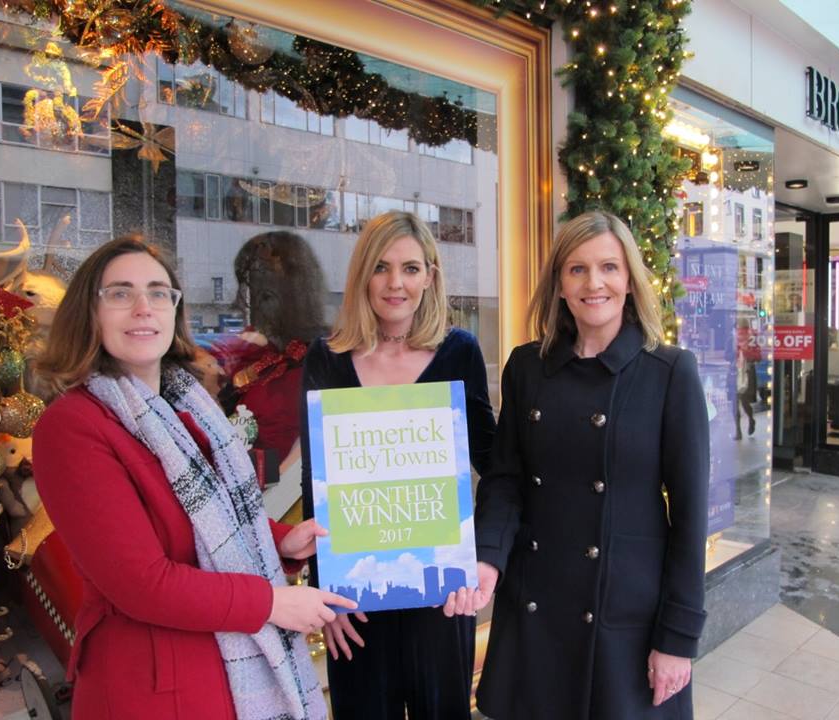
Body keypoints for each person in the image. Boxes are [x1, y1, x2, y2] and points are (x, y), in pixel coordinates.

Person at [32, 236, 355, 720]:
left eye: (159, 292)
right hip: (154, 686)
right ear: (89, 313)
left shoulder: (187, 409)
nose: (144, 307)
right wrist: (270, 603)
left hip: (225, 669)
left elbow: (210, 524)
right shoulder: (73, 425)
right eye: (120, 293)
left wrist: (284, 543)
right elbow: (142, 583)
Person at [447, 211, 709, 719]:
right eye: (578, 269)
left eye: (609, 267)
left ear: (629, 279)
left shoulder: (670, 372)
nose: (595, 283)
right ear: (559, 284)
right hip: (536, 606)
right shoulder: (527, 366)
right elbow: (506, 481)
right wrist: (487, 557)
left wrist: (677, 638)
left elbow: (690, 518)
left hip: (623, 617)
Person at [300, 210, 496, 720]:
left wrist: (485, 557)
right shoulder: (327, 357)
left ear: (430, 276)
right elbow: (315, 483)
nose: (395, 283)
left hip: (440, 594)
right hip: (357, 598)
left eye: (410, 269)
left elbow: (494, 464)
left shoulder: (459, 352)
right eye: (381, 267)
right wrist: (325, 593)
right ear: (362, 274)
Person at [217, 230, 328, 461]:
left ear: (298, 293)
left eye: (266, 295)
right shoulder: (258, 357)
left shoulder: (325, 362)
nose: (255, 305)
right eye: (250, 291)